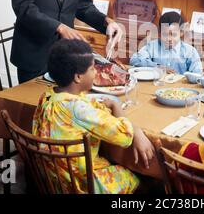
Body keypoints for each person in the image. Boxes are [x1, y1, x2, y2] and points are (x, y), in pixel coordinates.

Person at [32, 39, 154, 194]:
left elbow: (83, 105)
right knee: (143, 178)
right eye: (92, 69)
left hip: (53, 178)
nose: (96, 72)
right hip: (82, 184)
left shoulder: (47, 96)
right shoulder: (78, 109)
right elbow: (124, 136)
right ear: (78, 77)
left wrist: (103, 105)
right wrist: (119, 109)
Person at [129, 11, 203, 74]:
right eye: (165, 34)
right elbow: (134, 60)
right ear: (159, 33)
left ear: (181, 33)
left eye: (173, 35)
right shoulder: (152, 46)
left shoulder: (190, 51)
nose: (169, 39)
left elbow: (197, 73)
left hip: (180, 89)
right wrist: (157, 67)